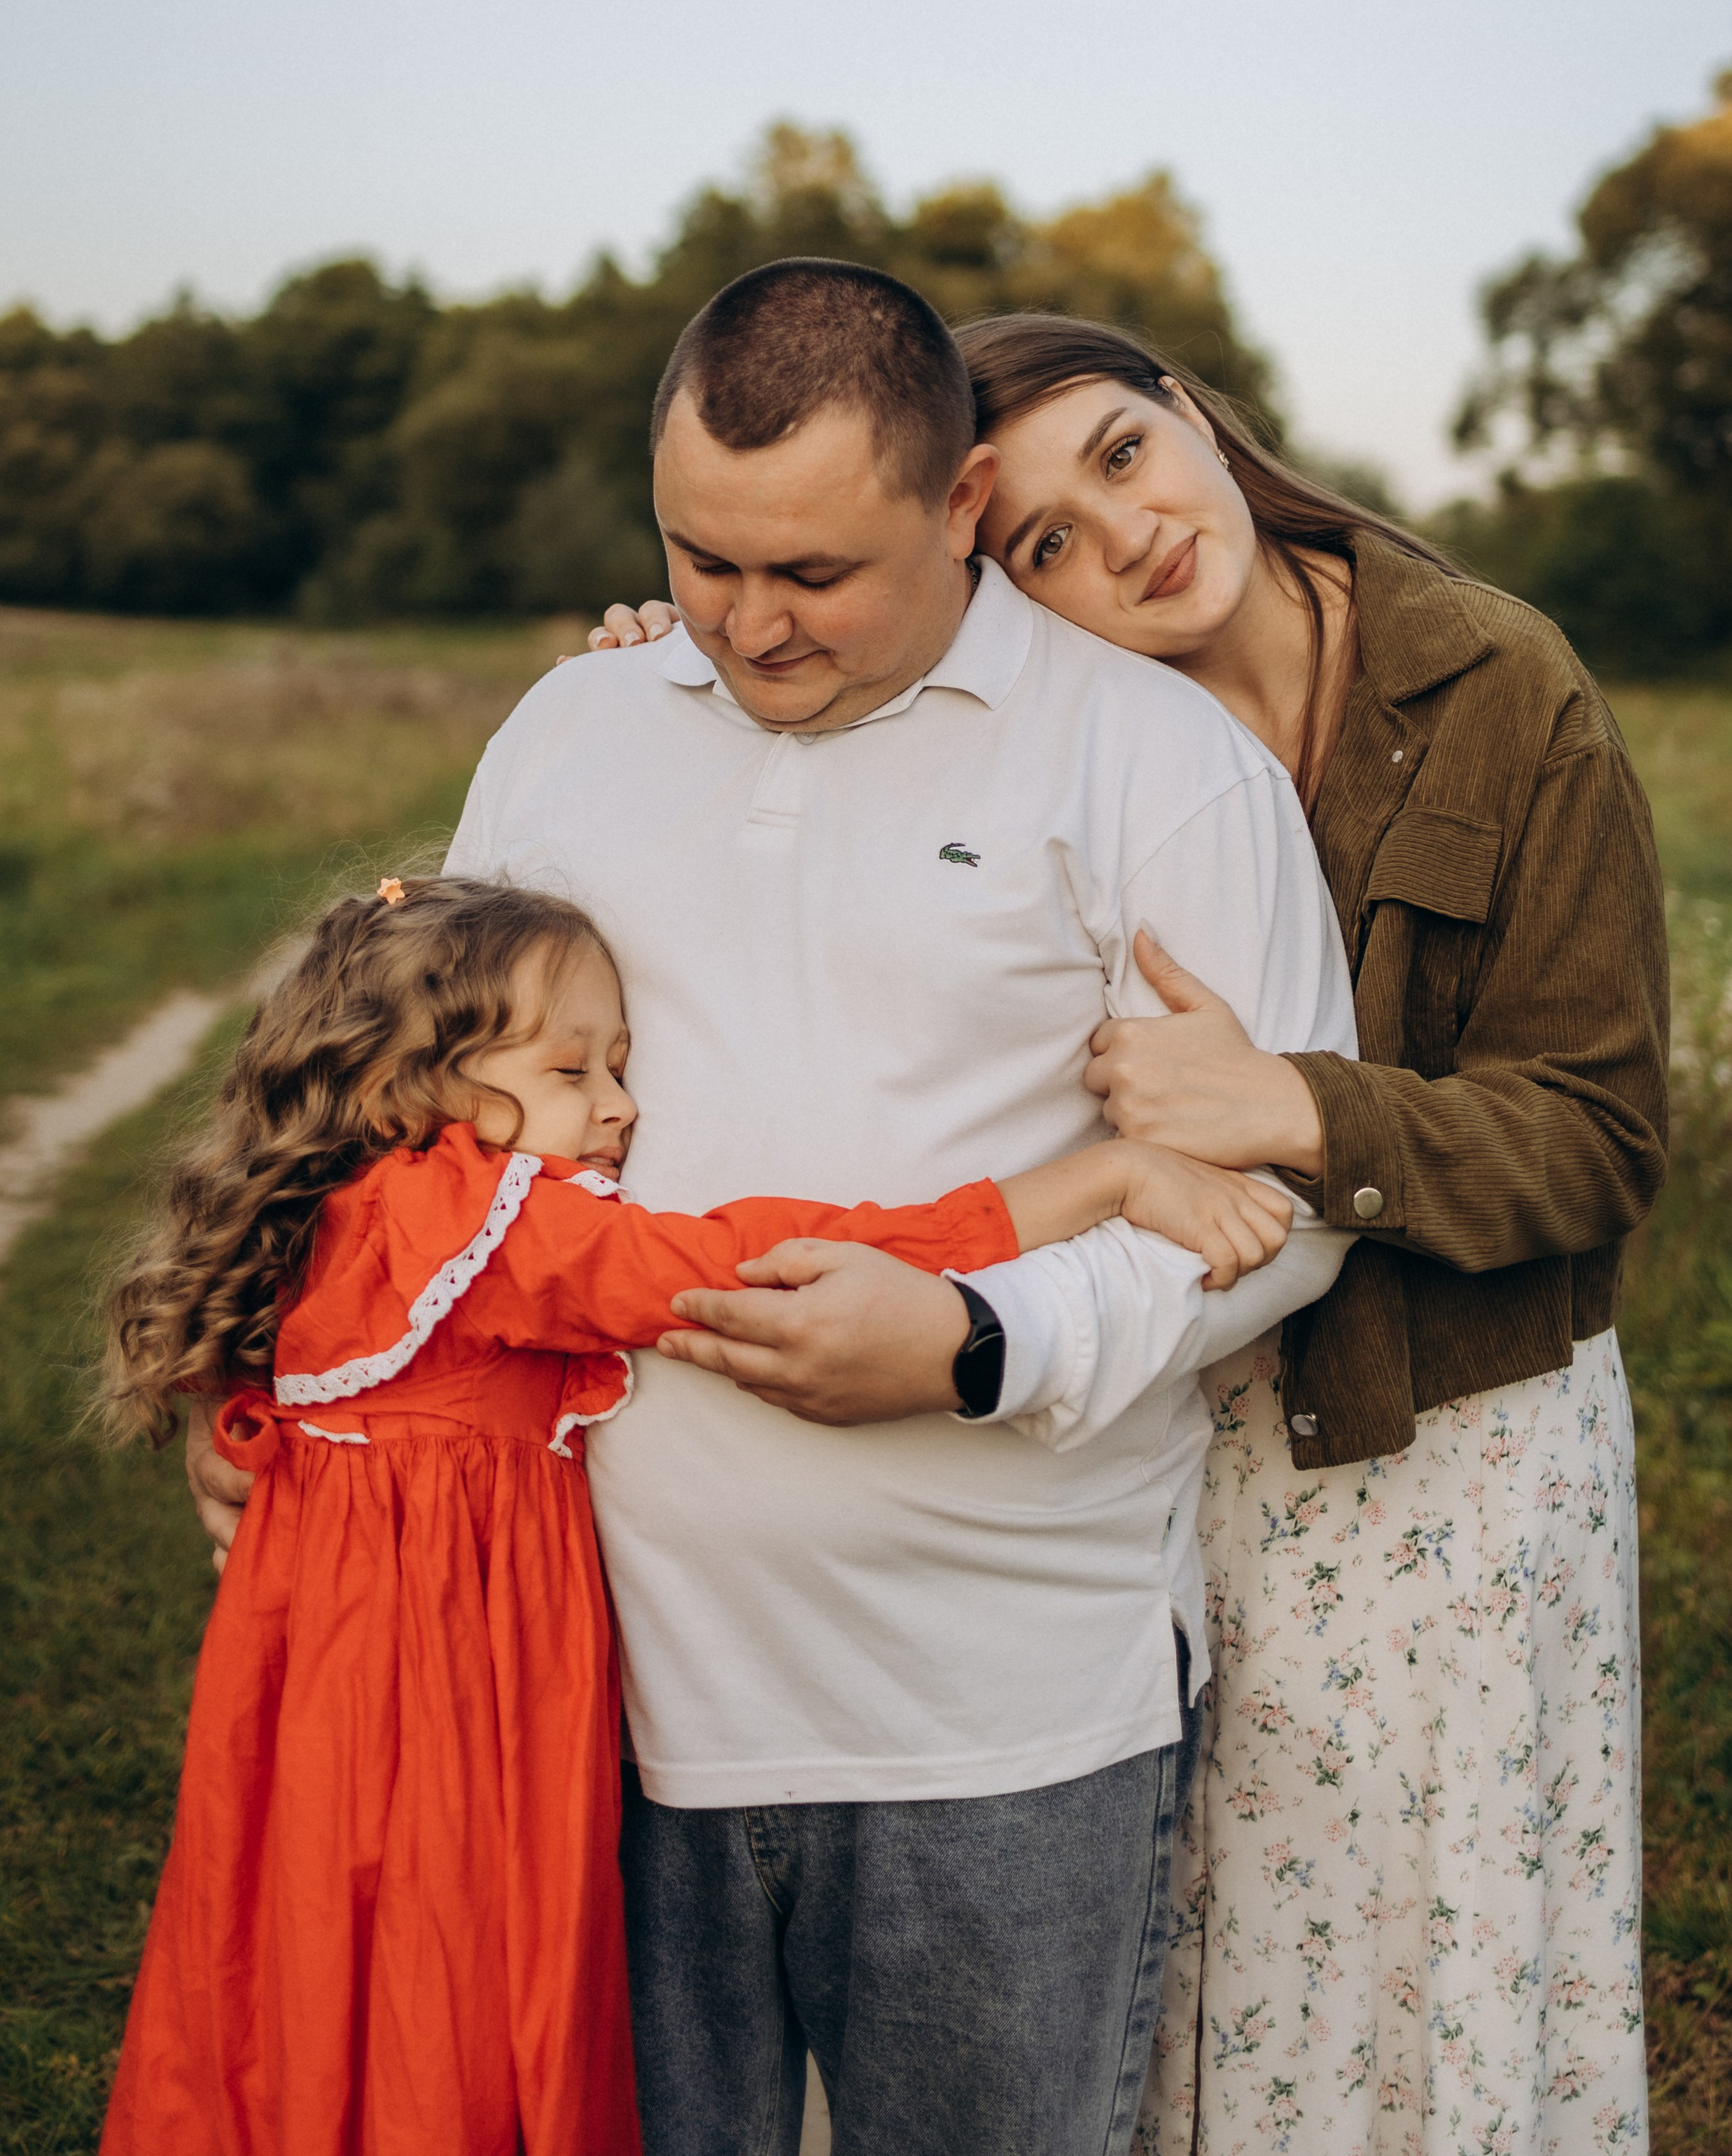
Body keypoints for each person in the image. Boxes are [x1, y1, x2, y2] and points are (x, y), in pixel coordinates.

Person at [188, 257, 1360, 2156]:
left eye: (815, 573)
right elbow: (415, 1123)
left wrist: (986, 1344)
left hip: (997, 1717)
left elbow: (1282, 1203)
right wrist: (281, 1386)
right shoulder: (572, 727)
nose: (748, 625)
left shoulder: (1154, 766)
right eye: (704, 559)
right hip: (583, 1687)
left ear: (964, 502)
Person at [594, 309, 1670, 2155]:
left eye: (1122, 456)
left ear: (1189, 406)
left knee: (1412, 1984)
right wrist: (671, 666)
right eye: (1045, 546)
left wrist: (1312, 1113)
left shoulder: (1498, 685)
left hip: (1433, 1447)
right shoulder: (1075, 746)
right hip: (1185, 1436)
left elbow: (1598, 1137)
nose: (1129, 537)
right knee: (1195, 1995)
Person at [109, 869, 1276, 2156]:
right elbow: (745, 1258)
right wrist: (1097, 1181)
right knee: (446, 1971)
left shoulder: (369, 1201)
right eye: (573, 1073)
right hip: (433, 1692)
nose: (622, 1107)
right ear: (412, 1091)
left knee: (328, 1955)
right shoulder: (486, 1225)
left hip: (339, 1683)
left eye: (621, 1064)